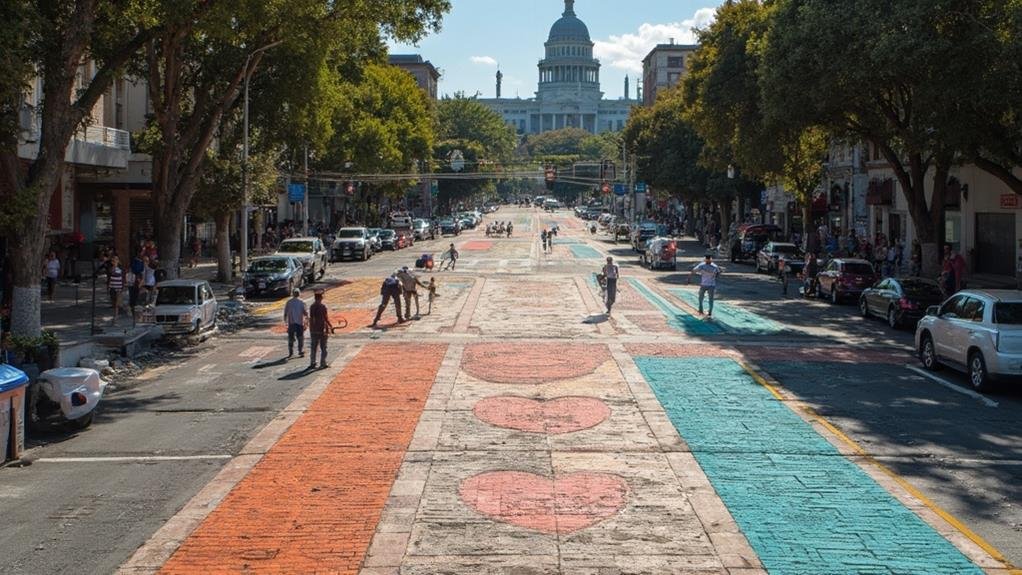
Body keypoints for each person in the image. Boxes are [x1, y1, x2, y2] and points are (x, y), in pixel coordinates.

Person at [307, 289, 332, 369]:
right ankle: (323, 363)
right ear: (321, 298)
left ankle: (313, 362)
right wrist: (330, 326)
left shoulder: (312, 307)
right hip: (322, 330)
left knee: (314, 347)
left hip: (314, 330)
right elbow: (326, 318)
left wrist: (311, 328)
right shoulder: (323, 307)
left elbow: (311, 318)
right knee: (323, 347)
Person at [283, 288, 308, 358]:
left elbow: (285, 313)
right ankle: (300, 351)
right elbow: (305, 313)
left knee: (291, 338)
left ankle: (291, 352)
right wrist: (306, 322)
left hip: (291, 323)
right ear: (299, 294)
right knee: (300, 338)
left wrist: (286, 323)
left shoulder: (289, 302)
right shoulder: (302, 302)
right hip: (299, 323)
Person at [107, 256, 125, 322]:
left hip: (118, 287)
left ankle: (116, 317)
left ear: (118, 261)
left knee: (117, 303)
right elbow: (110, 275)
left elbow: (123, 278)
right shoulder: (111, 268)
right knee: (114, 303)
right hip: (112, 287)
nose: (114, 262)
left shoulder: (121, 269)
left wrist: (123, 286)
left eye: (115, 260)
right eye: (113, 261)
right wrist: (108, 286)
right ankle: (115, 315)